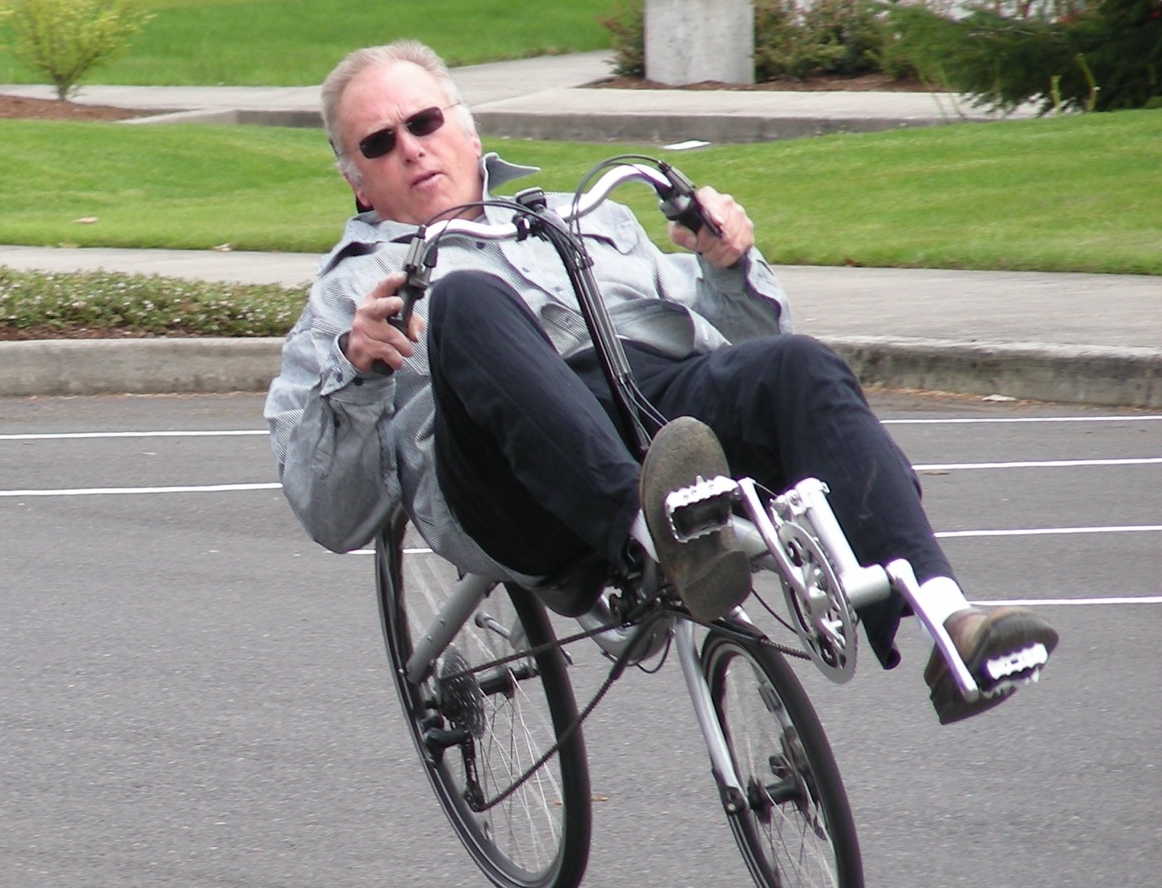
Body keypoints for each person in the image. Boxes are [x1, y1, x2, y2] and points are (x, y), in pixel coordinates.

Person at [264, 39, 1056, 723]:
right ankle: (653, 539)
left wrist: (729, 266)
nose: (410, 147)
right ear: (359, 184)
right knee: (467, 298)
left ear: (467, 130)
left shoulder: (585, 217)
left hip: (654, 408)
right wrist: (357, 368)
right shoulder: (351, 291)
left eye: (425, 122)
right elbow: (331, 512)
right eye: (379, 143)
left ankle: (951, 628)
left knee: (799, 363)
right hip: (516, 478)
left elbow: (737, 349)